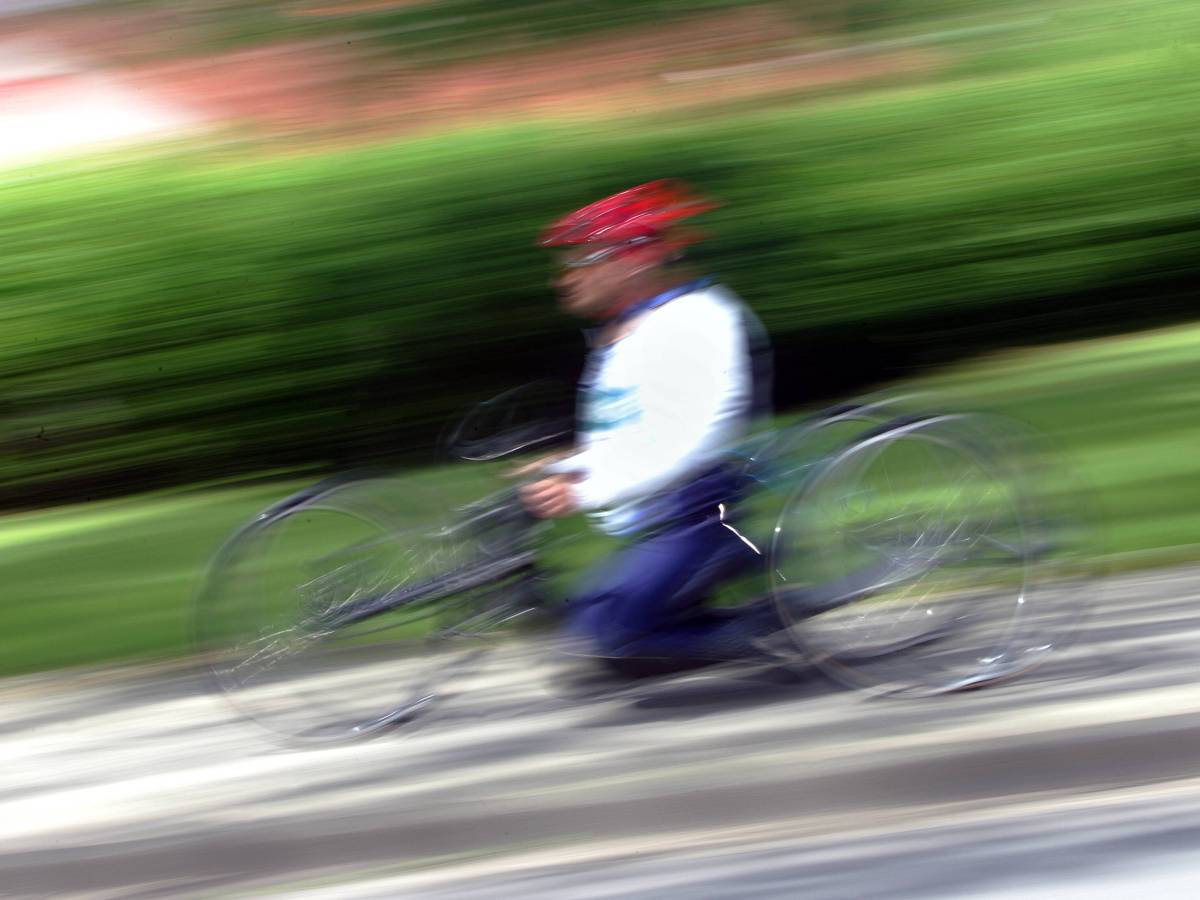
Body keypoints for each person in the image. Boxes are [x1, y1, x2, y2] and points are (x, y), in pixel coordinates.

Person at [518, 180, 780, 673]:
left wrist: (583, 492)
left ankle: (772, 629)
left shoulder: (696, 320)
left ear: (632, 260)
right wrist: (570, 465)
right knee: (582, 624)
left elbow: (688, 439)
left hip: (702, 517)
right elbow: (634, 431)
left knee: (609, 637)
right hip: (661, 521)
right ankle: (710, 617)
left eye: (580, 261)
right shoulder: (631, 331)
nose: (563, 278)